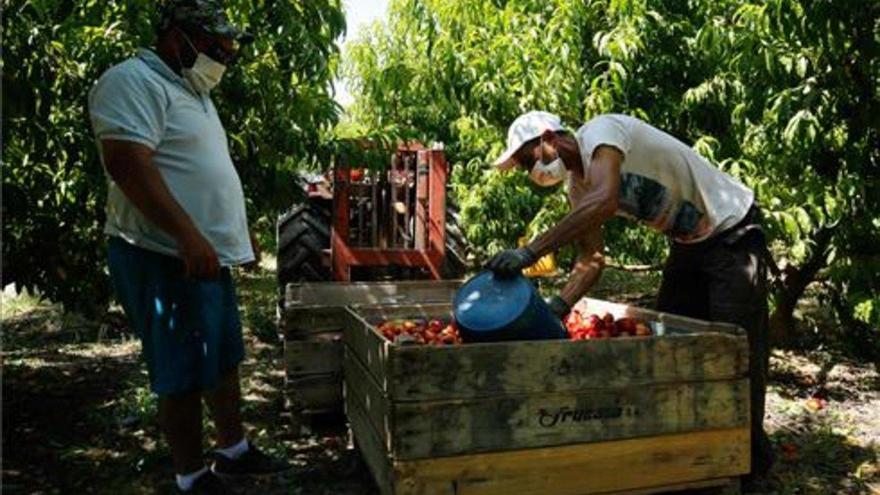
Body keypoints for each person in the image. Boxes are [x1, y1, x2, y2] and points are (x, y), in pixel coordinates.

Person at [487, 111, 773, 483]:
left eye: (527, 159)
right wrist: (557, 307)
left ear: (547, 139)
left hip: (732, 228)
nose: (532, 171)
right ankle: (696, 449)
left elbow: (606, 200)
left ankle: (749, 460)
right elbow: (591, 260)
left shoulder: (600, 134)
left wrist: (531, 252)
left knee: (737, 348)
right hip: (689, 242)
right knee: (669, 347)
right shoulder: (578, 189)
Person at [88, 1, 285, 492]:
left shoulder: (193, 92)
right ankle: (191, 476)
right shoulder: (133, 81)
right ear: (179, 38)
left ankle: (233, 451)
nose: (225, 57)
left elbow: (201, 169)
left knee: (222, 356)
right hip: (161, 253)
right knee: (182, 368)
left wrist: (235, 231)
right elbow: (128, 164)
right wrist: (186, 235)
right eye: (217, 47)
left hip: (203, 254)